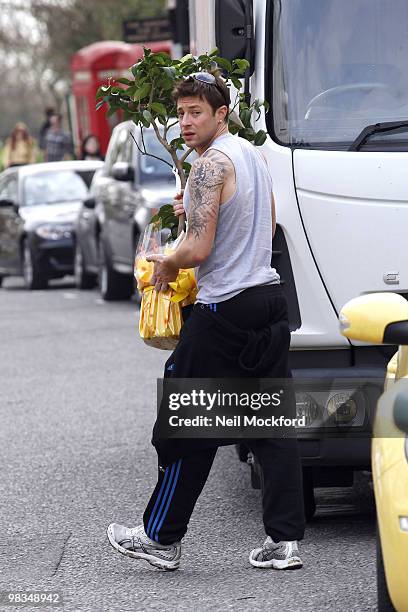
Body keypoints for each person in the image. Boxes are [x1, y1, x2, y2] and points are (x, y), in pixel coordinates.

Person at [107, 72, 305, 571]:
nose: (186, 121)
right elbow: (264, 217)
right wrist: (194, 208)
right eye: (182, 112)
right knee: (270, 423)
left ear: (222, 115)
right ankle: (283, 543)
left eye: (197, 112)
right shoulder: (253, 157)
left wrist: (164, 264)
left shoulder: (209, 164)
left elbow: (197, 248)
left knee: (184, 423)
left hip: (224, 308)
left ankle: (161, 538)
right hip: (268, 299)